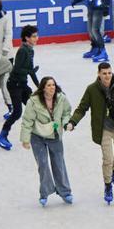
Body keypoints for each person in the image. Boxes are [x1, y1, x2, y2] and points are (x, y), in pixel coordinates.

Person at [66, 61, 114, 204]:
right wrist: (73, 122)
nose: (107, 76)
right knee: (107, 158)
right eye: (104, 73)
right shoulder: (92, 89)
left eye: (109, 73)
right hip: (103, 129)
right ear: (98, 74)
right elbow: (82, 108)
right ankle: (108, 185)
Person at [20, 75, 75, 206]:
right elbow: (27, 120)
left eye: (53, 85)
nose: (52, 87)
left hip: (55, 135)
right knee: (43, 164)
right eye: (49, 85)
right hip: (37, 136)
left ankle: (65, 192)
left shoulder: (61, 98)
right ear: (43, 88)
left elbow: (66, 112)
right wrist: (25, 139)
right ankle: (45, 192)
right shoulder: (34, 101)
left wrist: (66, 123)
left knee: (59, 164)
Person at [0, 24, 40, 150]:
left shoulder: (30, 50)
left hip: (23, 84)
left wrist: (39, 86)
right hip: (14, 85)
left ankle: (38, 134)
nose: (37, 38)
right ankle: (2, 136)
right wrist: (30, 71)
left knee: (35, 106)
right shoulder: (22, 51)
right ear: (27, 38)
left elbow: (30, 70)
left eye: (37, 36)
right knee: (17, 112)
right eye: (34, 36)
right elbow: (18, 69)